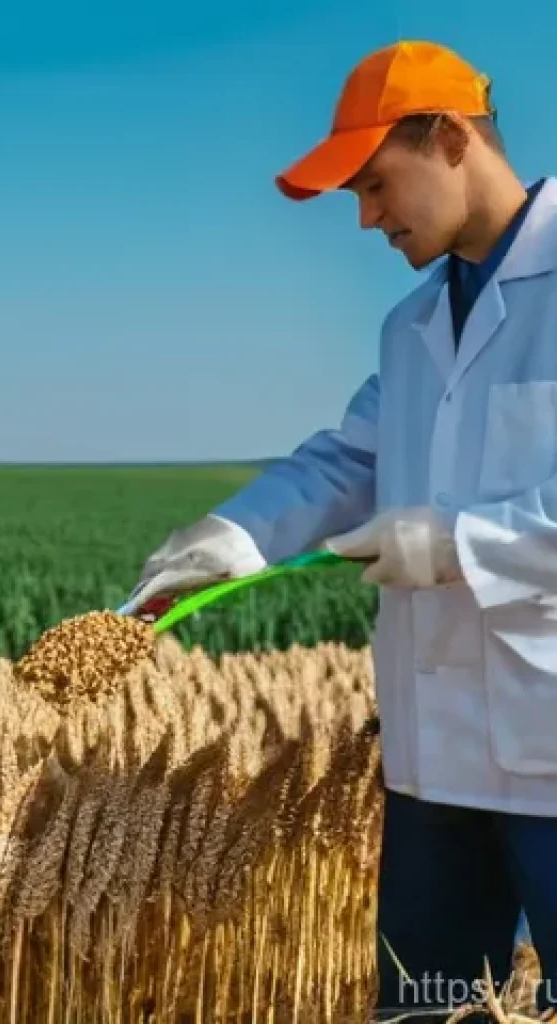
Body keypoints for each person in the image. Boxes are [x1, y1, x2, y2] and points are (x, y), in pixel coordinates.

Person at [123, 40, 557, 1022]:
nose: (364, 218)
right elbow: (349, 460)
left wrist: (453, 544)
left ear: (449, 138)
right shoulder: (410, 325)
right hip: (431, 775)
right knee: (423, 1012)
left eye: (373, 184)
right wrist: (232, 536)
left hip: (551, 764)